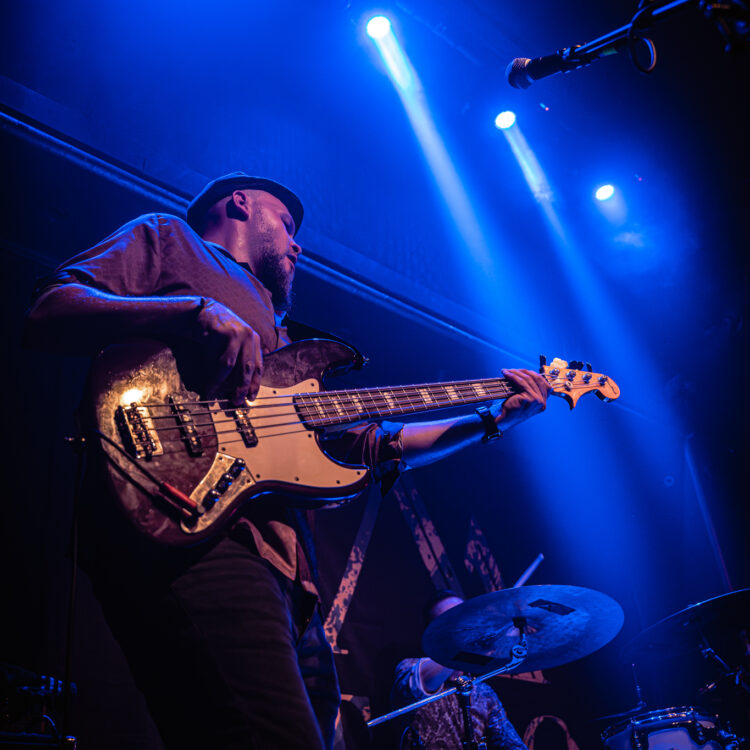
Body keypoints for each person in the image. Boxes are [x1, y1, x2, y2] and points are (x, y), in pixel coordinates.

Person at [23, 172, 551, 750]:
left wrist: (492, 420)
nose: (297, 245)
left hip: (289, 580)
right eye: (287, 223)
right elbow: (50, 307)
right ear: (240, 203)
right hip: (197, 531)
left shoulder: (285, 342)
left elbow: (376, 445)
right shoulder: (170, 238)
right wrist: (192, 311)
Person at [391, 591, 528, 750]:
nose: (460, 624)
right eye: (450, 620)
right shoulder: (409, 668)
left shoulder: (483, 692)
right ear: (432, 634)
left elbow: (512, 745)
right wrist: (469, 642)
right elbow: (422, 683)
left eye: (463, 615)